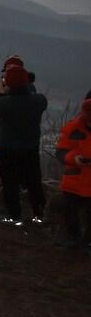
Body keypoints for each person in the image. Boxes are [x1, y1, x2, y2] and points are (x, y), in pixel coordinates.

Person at [0, 64, 48, 225]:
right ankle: (40, 212)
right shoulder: (39, 100)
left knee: (10, 182)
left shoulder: (0, 103)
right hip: (30, 146)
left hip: (6, 147)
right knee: (33, 180)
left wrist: (1, 95)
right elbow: (40, 102)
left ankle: (14, 215)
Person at [54, 99, 91, 249]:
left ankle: (87, 241)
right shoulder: (73, 128)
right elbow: (61, 152)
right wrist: (73, 158)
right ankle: (72, 237)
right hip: (74, 176)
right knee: (70, 210)